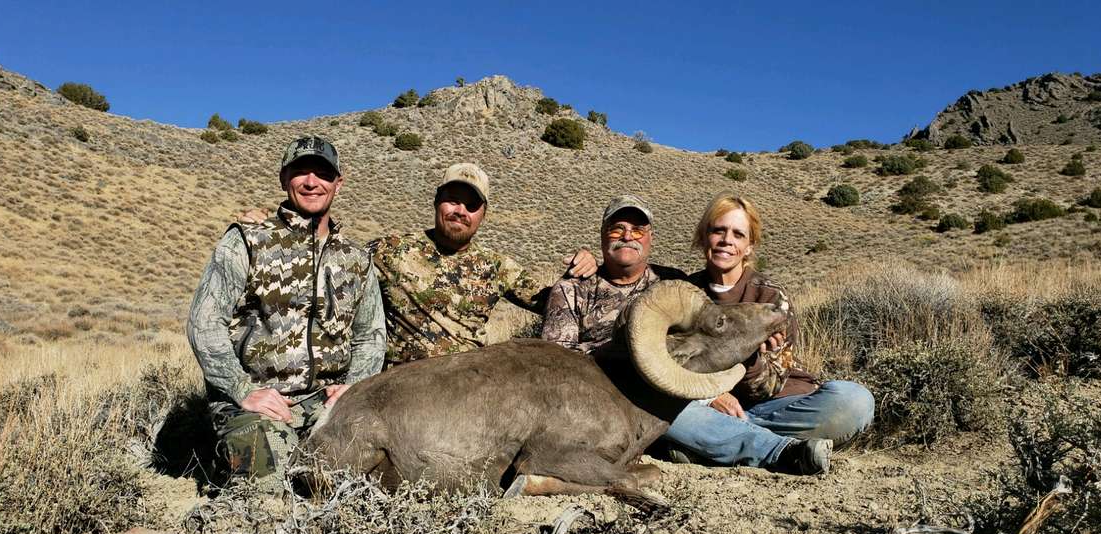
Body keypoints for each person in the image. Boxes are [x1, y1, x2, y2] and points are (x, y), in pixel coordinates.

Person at [187, 135, 386, 492]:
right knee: (272, 487)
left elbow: (370, 334)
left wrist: (354, 387)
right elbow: (205, 323)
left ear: (338, 183)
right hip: (255, 402)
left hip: (328, 403)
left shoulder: (357, 259)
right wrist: (242, 389)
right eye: (300, 172)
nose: (311, 182)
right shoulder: (247, 240)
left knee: (372, 479)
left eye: (322, 173)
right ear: (284, 179)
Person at [663, 193, 875, 474]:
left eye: (738, 234)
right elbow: (673, 367)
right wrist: (710, 398)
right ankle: (775, 449)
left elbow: (768, 388)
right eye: (718, 230)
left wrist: (752, 360)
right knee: (663, 410)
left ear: (749, 246)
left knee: (855, 401)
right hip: (710, 406)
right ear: (704, 237)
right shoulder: (683, 295)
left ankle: (720, 443)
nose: (727, 240)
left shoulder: (771, 298)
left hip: (778, 405)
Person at [369, 163, 594, 365]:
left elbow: (556, 301)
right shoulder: (391, 250)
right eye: (453, 200)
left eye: (472, 205)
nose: (460, 211)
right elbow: (345, 270)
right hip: (399, 389)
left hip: (467, 387)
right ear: (437, 201)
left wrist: (585, 267)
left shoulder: (496, 266)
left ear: (483, 214)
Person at [542, 194, 686, 354]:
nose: (627, 236)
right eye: (617, 229)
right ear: (603, 234)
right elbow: (556, 359)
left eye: (638, 231)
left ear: (651, 238)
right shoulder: (572, 289)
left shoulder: (673, 282)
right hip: (592, 376)